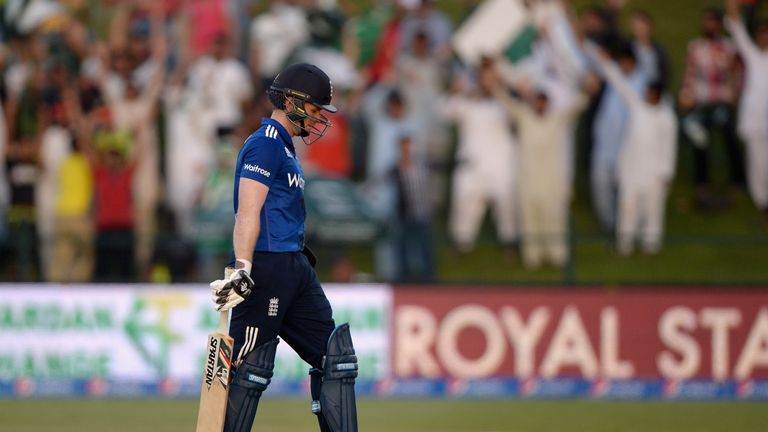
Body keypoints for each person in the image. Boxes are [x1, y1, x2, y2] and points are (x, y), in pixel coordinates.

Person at [208, 63, 359, 432]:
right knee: (250, 368)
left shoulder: (286, 149)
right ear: (292, 102)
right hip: (266, 266)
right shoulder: (264, 144)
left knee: (336, 359)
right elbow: (248, 211)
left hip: (296, 267)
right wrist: (242, 267)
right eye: (316, 108)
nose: (320, 117)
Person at [589, 46, 678, 256]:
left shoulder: (666, 118)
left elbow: (669, 147)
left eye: (652, 94)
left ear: (659, 96)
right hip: (632, 169)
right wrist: (607, 64)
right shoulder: (638, 107)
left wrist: (666, 173)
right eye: (647, 93)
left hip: (654, 172)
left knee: (652, 211)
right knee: (627, 208)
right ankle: (625, 245)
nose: (648, 96)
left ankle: (650, 245)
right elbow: (621, 84)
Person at [725, 0, 768, 215]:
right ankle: (762, 202)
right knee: (756, 160)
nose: (764, 38)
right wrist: (733, 4)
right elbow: (736, 25)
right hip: (754, 117)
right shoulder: (751, 54)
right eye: (762, 34)